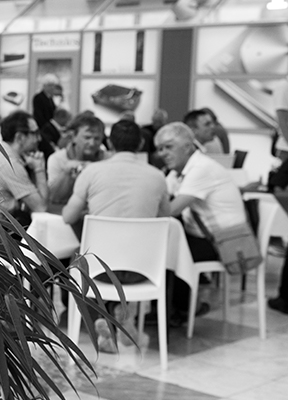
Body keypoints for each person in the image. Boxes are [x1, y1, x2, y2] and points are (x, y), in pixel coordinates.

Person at [61, 119, 170, 351]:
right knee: (129, 252)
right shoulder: (157, 177)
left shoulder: (92, 172)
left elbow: (68, 217)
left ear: (109, 143)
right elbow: (165, 217)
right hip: (142, 270)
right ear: (140, 144)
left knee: (81, 257)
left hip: (99, 271)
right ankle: (122, 315)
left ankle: (103, 323)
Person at [155, 122, 248, 325]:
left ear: (188, 147)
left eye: (168, 147)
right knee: (165, 245)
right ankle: (169, 308)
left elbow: (170, 210)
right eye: (160, 148)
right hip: (205, 236)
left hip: (225, 242)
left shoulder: (201, 169)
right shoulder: (178, 171)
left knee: (167, 250)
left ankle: (180, 309)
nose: (162, 153)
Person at [0, 110, 48, 223]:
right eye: (35, 133)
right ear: (19, 137)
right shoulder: (10, 165)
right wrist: (39, 169)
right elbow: (41, 207)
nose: (39, 139)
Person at [46, 113, 106, 206]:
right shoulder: (57, 159)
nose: (92, 143)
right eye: (87, 137)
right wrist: (66, 173)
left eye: (97, 138)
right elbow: (53, 197)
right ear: (74, 137)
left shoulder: (108, 159)